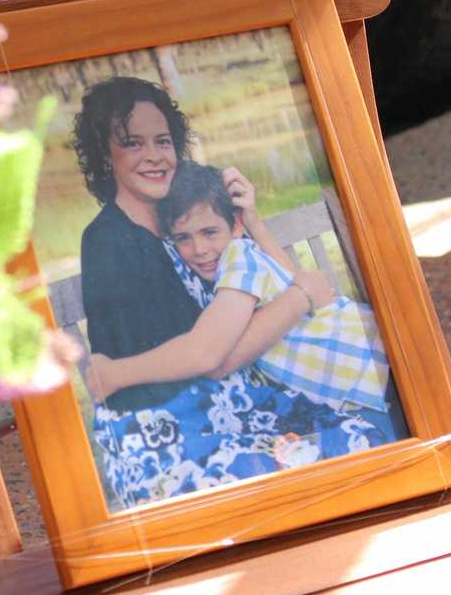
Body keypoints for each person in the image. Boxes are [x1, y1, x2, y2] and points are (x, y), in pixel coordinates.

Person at [72, 76, 403, 509]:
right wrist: (299, 297)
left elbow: (256, 277)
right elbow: (210, 356)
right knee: (357, 439)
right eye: (133, 143)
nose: (154, 156)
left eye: (163, 141)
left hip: (232, 407)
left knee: (374, 423)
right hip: (169, 436)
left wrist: (257, 226)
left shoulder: (178, 222)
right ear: (104, 154)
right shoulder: (111, 241)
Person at [90, 160, 393, 414]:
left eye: (209, 232)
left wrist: (116, 374)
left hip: (369, 370)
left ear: (235, 226)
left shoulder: (238, 256)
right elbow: (297, 284)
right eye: (183, 238)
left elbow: (211, 357)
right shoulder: (232, 261)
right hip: (367, 365)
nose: (199, 249)